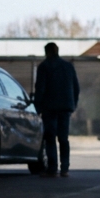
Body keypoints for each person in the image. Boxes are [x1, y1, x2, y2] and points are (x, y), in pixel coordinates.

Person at [33, 42, 80, 178]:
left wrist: (37, 107)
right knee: (63, 138)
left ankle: (52, 168)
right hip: (65, 107)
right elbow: (76, 88)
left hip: (49, 108)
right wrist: (73, 104)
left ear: (47, 52)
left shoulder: (44, 67)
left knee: (50, 137)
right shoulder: (68, 67)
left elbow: (40, 89)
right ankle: (65, 168)